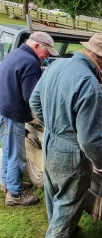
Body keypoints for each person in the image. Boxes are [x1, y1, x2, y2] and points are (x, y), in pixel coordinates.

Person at [29, 33, 102, 238]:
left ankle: (59, 228)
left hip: (50, 141)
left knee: (54, 191)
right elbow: (89, 140)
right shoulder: (89, 83)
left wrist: (52, 126)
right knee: (69, 199)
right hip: (70, 151)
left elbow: (34, 102)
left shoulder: (56, 65)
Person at [0, 31, 58, 206]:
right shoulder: (31, 62)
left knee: (8, 150)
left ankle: (8, 183)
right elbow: (32, 97)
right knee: (16, 155)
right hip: (12, 114)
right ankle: (15, 195)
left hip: (3, 109)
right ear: (36, 45)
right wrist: (44, 115)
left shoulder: (16, 53)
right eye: (46, 52)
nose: (46, 56)